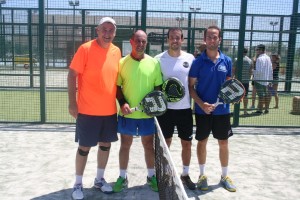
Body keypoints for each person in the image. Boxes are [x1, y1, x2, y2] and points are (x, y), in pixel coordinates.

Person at [68, 17, 121, 200]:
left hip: (109, 111)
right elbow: (71, 75)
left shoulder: (116, 51)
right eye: (104, 30)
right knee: (84, 147)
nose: (107, 34)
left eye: (110, 31)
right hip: (87, 111)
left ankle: (99, 180)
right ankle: (77, 183)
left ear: (114, 33)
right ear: (97, 31)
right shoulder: (85, 49)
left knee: (105, 146)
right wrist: (72, 102)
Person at [113, 30, 163, 193]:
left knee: (149, 146)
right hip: (127, 114)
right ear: (132, 42)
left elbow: (157, 88)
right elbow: (117, 86)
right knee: (125, 145)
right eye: (138, 41)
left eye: (143, 42)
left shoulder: (154, 63)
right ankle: (122, 177)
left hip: (147, 116)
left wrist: (153, 107)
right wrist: (122, 103)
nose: (141, 44)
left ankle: (151, 176)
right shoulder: (122, 63)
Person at [188, 25, 237, 192]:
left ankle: (224, 176)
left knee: (223, 142)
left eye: (215, 37)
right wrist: (202, 104)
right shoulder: (197, 62)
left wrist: (232, 96)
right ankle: (202, 176)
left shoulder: (227, 61)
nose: (212, 39)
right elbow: (191, 87)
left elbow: (230, 84)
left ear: (219, 39)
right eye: (209, 37)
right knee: (202, 142)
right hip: (202, 111)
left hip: (222, 111)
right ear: (205, 39)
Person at [154, 27, 196, 190]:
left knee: (187, 144)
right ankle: (164, 174)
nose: (175, 40)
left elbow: (193, 83)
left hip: (185, 110)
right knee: (166, 144)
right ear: (167, 39)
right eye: (172, 37)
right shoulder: (159, 59)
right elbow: (156, 85)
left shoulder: (190, 58)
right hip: (166, 111)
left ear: (182, 40)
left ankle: (185, 175)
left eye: (178, 38)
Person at [252, 44, 273, 114]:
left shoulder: (259, 59)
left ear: (261, 50)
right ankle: (266, 109)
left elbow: (259, 71)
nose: (256, 51)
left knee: (261, 96)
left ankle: (259, 110)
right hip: (266, 80)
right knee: (266, 95)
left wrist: (252, 71)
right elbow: (271, 70)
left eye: (257, 50)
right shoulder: (268, 58)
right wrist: (270, 80)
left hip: (259, 80)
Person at [233, 47, 253, 115]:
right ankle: (245, 110)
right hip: (246, 81)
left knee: (236, 96)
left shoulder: (237, 59)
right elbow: (250, 71)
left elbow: (233, 70)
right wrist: (248, 78)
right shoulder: (250, 60)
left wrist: (232, 78)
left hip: (237, 81)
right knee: (245, 96)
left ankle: (236, 111)